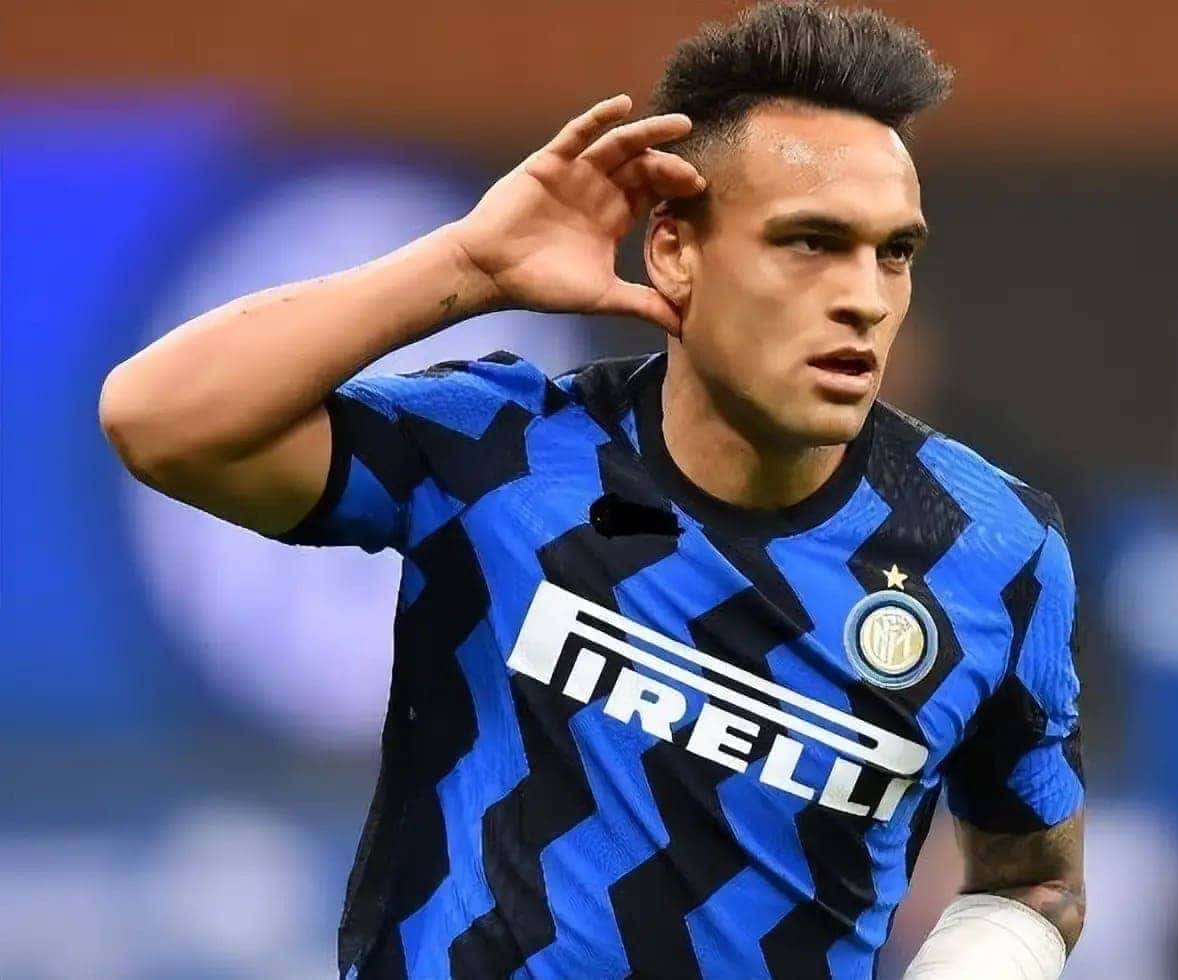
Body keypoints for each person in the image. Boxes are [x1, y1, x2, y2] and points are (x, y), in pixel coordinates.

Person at [100, 4, 1085, 978]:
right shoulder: (504, 451)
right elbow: (159, 419)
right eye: (809, 242)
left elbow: (1034, 880)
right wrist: (468, 264)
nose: (865, 297)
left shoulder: (996, 551)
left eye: (894, 252)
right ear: (674, 251)